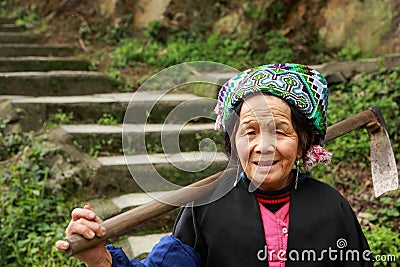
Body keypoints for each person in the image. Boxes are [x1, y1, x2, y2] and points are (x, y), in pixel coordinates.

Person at [56, 63, 372, 266]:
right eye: (250, 131)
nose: (263, 146)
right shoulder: (206, 206)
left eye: (280, 131)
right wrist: (101, 261)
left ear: (304, 142)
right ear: (232, 142)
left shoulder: (333, 209)